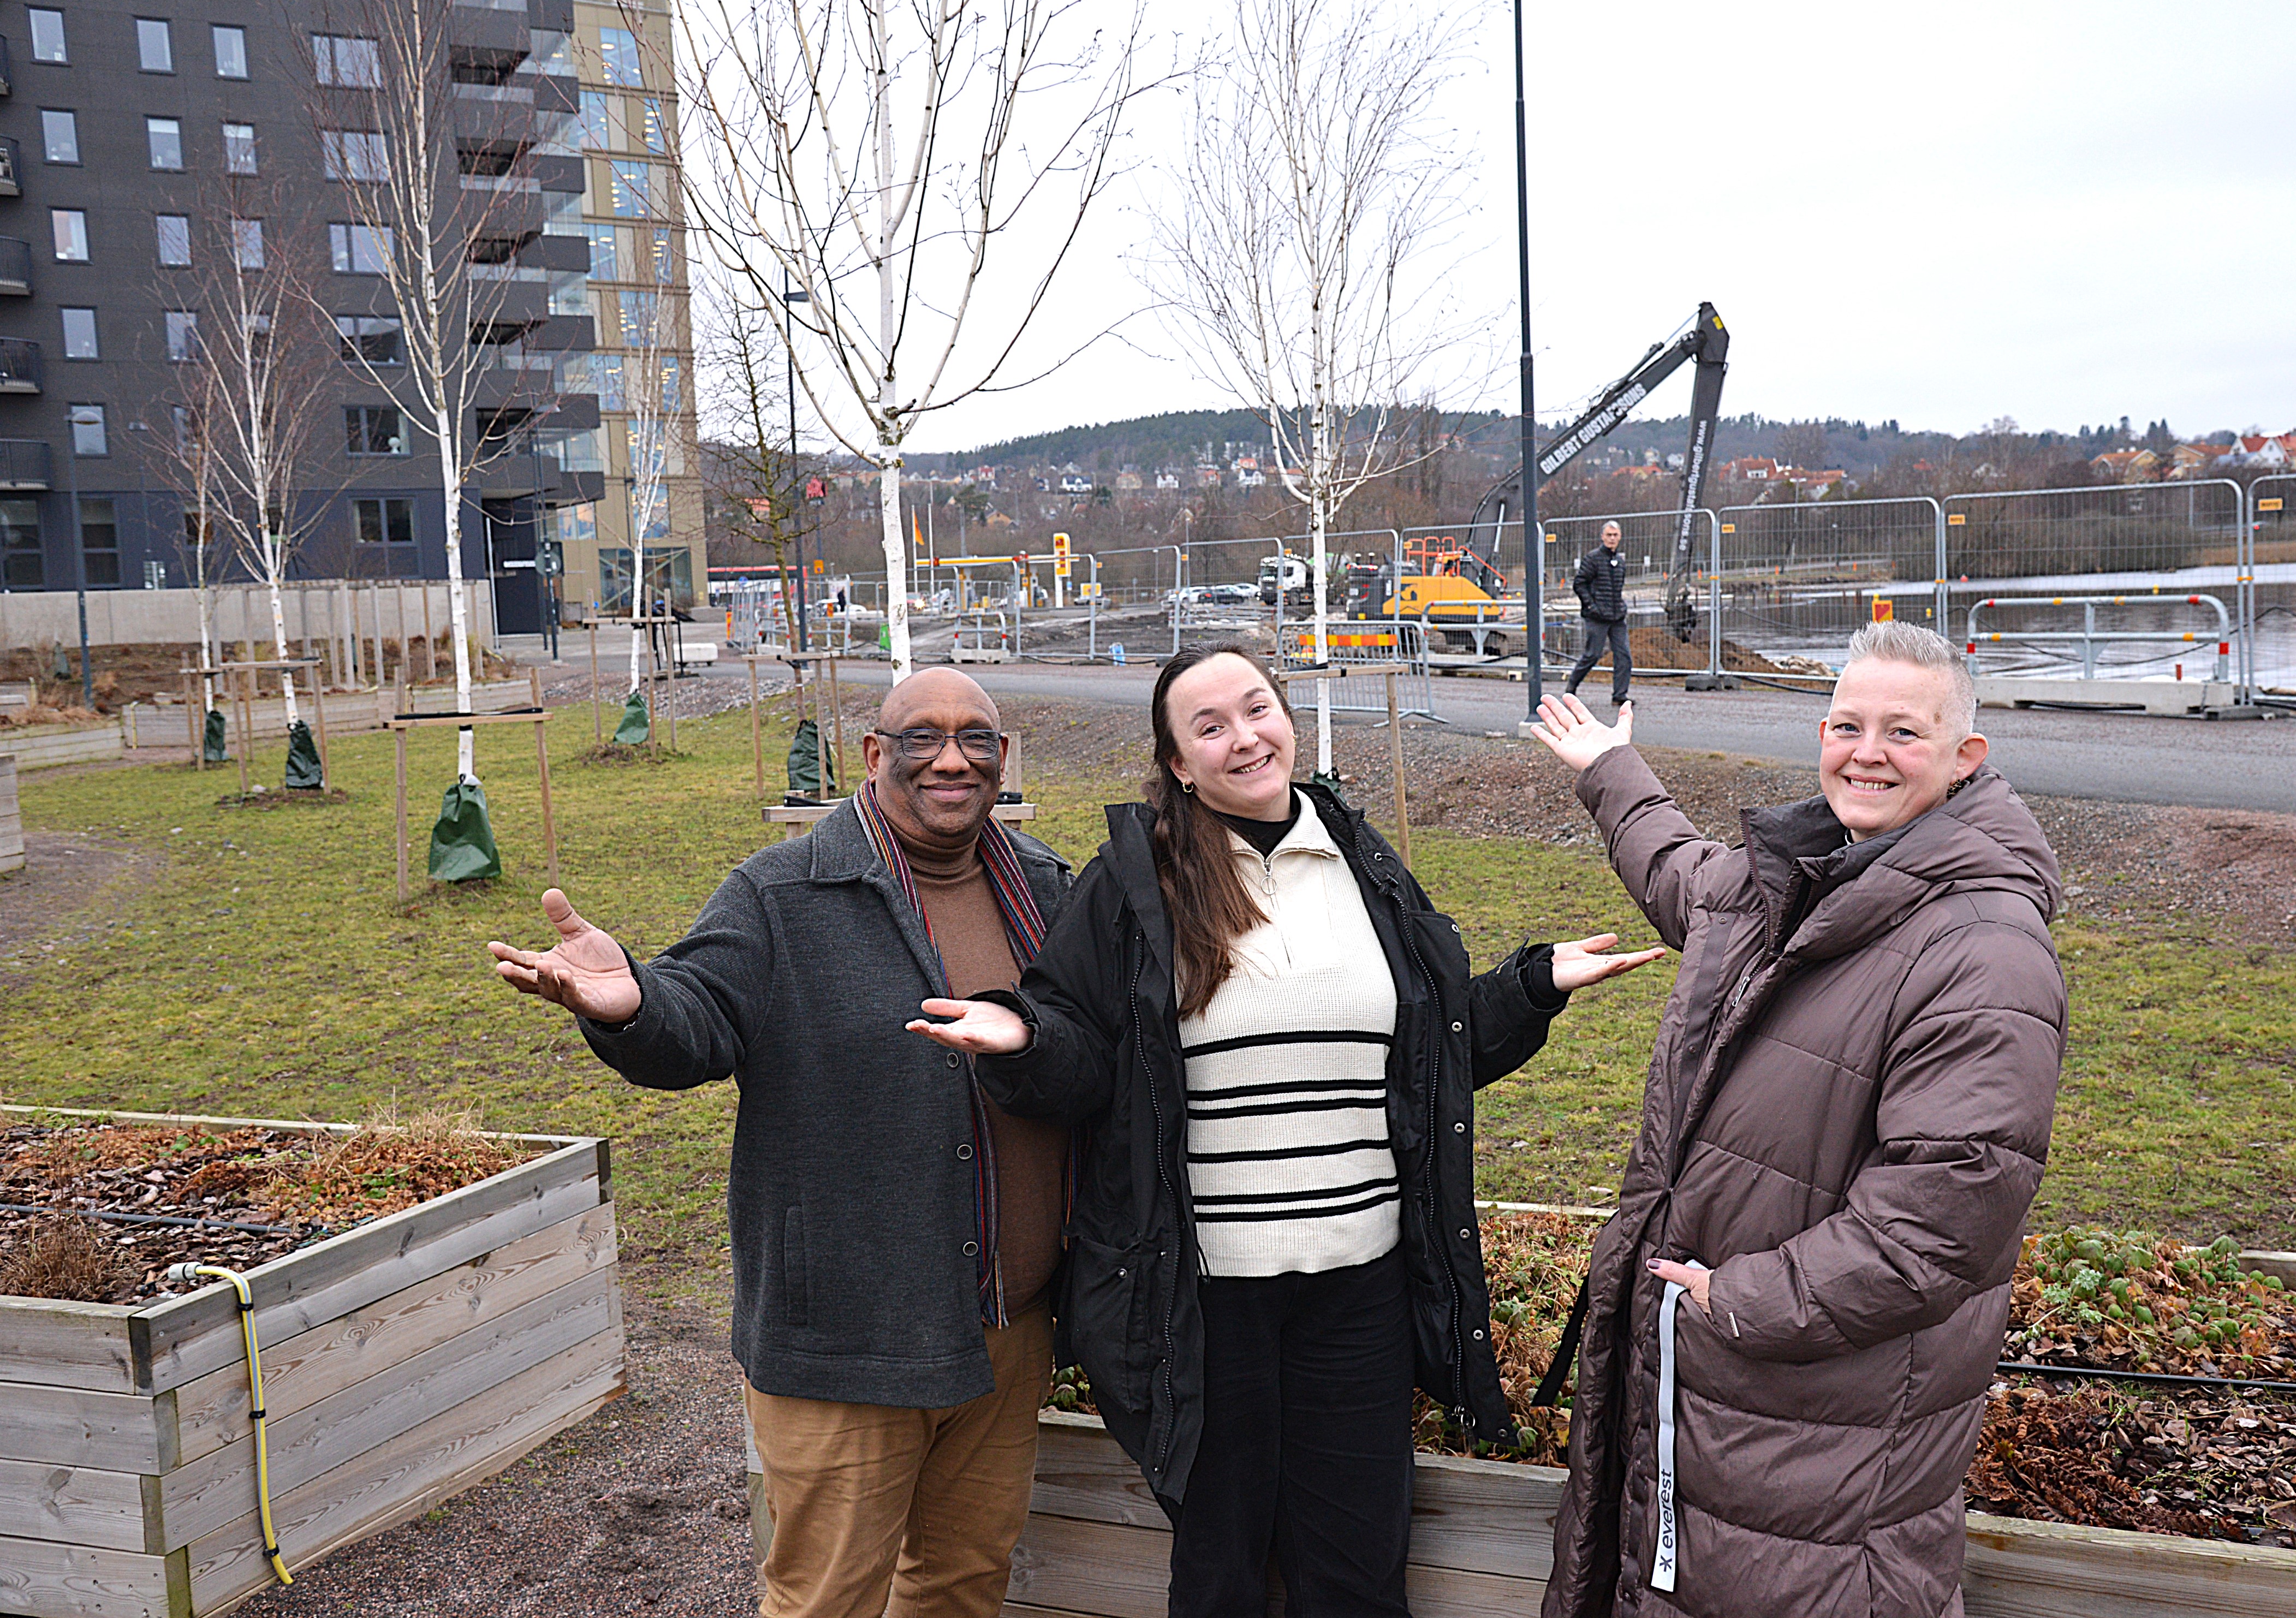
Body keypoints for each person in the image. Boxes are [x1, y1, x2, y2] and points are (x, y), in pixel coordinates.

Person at [911, 642, 1662, 1618]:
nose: (1244, 737)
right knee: (1221, 1572)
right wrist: (1022, 1034)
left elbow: (1421, 1058)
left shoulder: (1361, 864)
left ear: (1286, 717)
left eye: (1256, 708)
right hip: (1207, 1304)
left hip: (1359, 1294)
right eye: (1209, 726)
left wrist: (1531, 985)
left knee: (1356, 1573)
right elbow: (1088, 1057)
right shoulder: (1136, 883)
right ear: (1178, 762)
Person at [486, 668, 1073, 1618]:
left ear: (1003, 758)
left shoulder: (1046, 887)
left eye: (976, 738)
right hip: (848, 1334)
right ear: (874, 754)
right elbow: (698, 1019)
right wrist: (633, 1003)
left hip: (1006, 1327)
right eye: (922, 738)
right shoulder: (782, 893)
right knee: (826, 1598)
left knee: (964, 1584)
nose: (952, 759)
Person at [1530, 621, 2065, 1618]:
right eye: (1847, 725)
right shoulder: (1803, 877)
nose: (1867, 753)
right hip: (1727, 1404)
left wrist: (1737, 1302)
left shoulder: (1985, 951)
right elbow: (1681, 873)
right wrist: (1609, 769)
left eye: (1903, 732)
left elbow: (1939, 1220)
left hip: (1818, 1430)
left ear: (1965, 756)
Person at [1568, 520, 1631, 705]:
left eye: (1615, 535)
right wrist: (1591, 606)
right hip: (1597, 617)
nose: (1612, 538)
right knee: (1592, 655)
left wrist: (1621, 607)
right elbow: (1579, 584)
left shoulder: (1620, 562)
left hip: (1617, 617)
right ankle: (1571, 687)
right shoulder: (1593, 559)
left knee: (1624, 656)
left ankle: (1620, 695)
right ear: (1602, 537)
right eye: (1609, 535)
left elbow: (1618, 588)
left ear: (1620, 537)